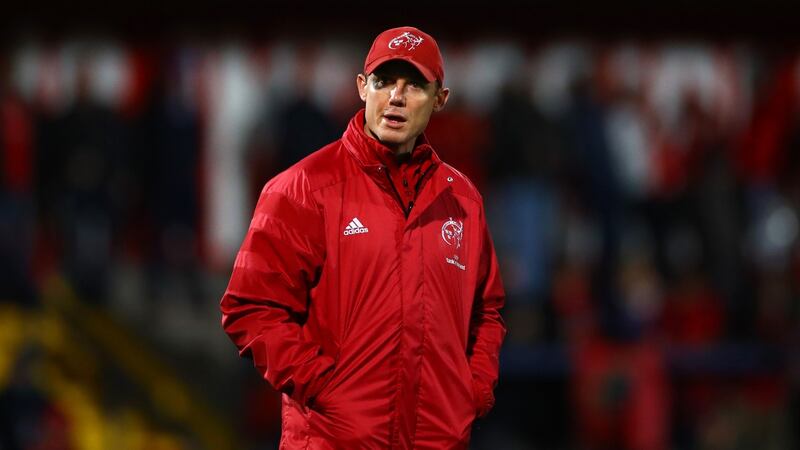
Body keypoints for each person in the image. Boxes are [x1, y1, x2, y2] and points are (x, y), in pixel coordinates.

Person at [221, 26, 506, 449]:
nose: (396, 96)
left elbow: (487, 312)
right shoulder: (302, 188)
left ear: (440, 99)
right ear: (361, 87)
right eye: (384, 81)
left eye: (414, 85)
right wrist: (327, 389)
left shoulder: (462, 200)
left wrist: (472, 391)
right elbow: (250, 307)